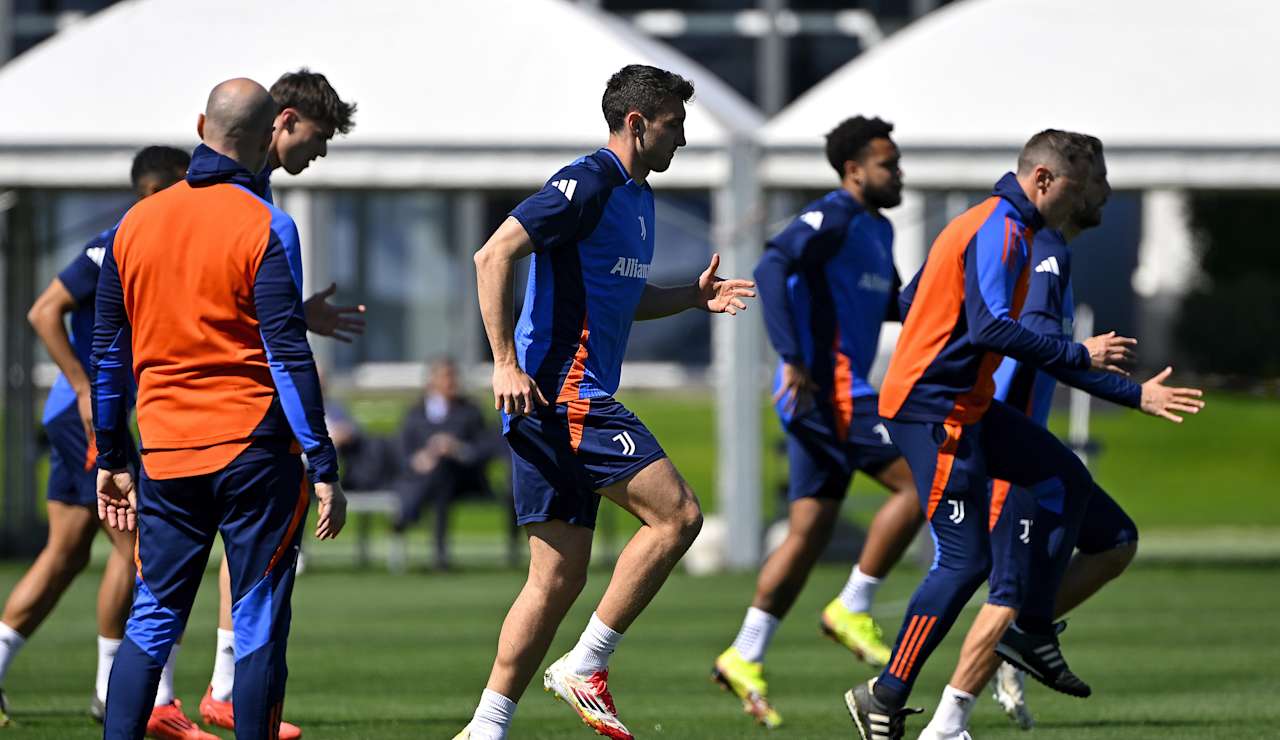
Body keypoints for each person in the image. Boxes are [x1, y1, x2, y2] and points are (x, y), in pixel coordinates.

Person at [455, 64, 755, 740]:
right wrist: (502, 362)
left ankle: (486, 726)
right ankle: (586, 665)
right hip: (562, 392)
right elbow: (492, 255)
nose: (683, 139)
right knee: (677, 516)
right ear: (637, 123)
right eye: (675, 125)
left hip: (556, 400)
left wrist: (691, 298)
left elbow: (623, 297)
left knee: (556, 578)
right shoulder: (587, 182)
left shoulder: (637, 198)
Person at [845, 130, 1137, 740]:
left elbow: (913, 297)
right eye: (1080, 187)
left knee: (1065, 479)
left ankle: (1029, 629)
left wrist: (935, 325)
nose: (1084, 199)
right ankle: (885, 694)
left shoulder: (1002, 225)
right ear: (1044, 181)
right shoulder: (1003, 228)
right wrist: (1078, 353)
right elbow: (991, 329)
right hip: (931, 411)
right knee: (965, 560)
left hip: (965, 404)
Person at [93, 78, 346, 740]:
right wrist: (322, 462)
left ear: (201, 125)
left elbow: (109, 356)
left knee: (152, 617)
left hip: (165, 454)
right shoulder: (268, 225)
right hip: (253, 452)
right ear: (269, 136)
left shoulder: (133, 225)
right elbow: (287, 355)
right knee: (257, 619)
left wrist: (112, 456)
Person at [941, 141, 1201, 734]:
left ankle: (1019, 645)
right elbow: (1041, 346)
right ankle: (942, 718)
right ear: (1055, 182)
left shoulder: (1046, 247)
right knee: (1008, 594)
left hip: (1025, 446)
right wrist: (1132, 393)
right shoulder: (1045, 249)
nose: (1102, 191)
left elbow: (1048, 351)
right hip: (1009, 453)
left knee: (1114, 541)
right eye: (1095, 180)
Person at [710, 116, 921, 728]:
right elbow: (772, 266)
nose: (898, 173)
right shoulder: (832, 215)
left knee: (810, 529)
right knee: (924, 482)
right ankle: (852, 605)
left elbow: (892, 304)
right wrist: (794, 358)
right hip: (830, 392)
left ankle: (744, 652)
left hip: (831, 396)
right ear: (853, 170)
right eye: (887, 164)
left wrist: (952, 292)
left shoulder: (878, 229)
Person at [0, 148, 206, 736]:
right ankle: (116, 690)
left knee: (65, 554)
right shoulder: (115, 242)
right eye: (184, 187)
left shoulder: (160, 245)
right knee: (139, 546)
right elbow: (44, 311)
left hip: (92, 417)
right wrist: (83, 385)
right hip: (88, 418)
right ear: (158, 191)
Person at [197, 67, 360, 740]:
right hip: (208, 403)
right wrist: (323, 461)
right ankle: (172, 694)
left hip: (207, 402)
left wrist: (295, 313)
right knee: (165, 559)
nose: (318, 154)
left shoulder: (257, 190)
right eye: (317, 138)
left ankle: (220, 689)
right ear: (283, 121)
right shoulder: (230, 193)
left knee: (232, 550)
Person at [391, 357, 501, 570]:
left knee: (443, 469)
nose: (452, 382)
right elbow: (402, 452)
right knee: (439, 473)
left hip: (465, 479)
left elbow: (485, 448)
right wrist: (421, 459)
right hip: (424, 478)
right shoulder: (415, 413)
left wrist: (457, 449)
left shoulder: (470, 411)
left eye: (454, 377)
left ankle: (409, 514)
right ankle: (439, 557)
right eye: (446, 377)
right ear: (432, 380)